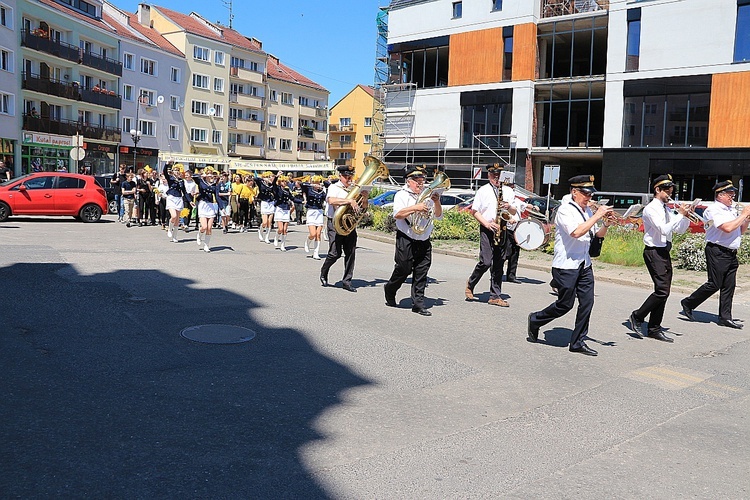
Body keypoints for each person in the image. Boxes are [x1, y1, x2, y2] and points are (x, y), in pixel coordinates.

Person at [527, 175, 614, 356]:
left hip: (584, 263)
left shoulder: (587, 212)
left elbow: (595, 235)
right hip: (566, 265)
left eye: (590, 194)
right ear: (574, 192)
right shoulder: (565, 211)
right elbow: (576, 232)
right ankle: (536, 319)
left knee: (587, 303)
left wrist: (605, 223)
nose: (589, 197)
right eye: (585, 193)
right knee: (564, 305)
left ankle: (578, 342)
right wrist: (598, 214)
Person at [628, 175, 690, 342]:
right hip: (653, 251)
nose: (670, 193)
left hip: (663, 252)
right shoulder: (651, 209)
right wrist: (679, 215)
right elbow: (663, 230)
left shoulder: (666, 209)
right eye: (667, 190)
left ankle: (654, 328)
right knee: (662, 290)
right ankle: (637, 316)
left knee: (664, 292)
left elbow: (678, 231)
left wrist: (685, 217)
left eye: (671, 190)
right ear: (657, 190)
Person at [681, 180, 750, 329]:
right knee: (715, 283)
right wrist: (743, 214)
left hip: (730, 252)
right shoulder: (714, 210)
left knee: (729, 286)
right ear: (720, 195)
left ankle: (725, 317)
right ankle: (688, 302)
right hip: (717, 250)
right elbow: (727, 228)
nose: (733, 196)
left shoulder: (731, 210)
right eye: (730, 194)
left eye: (733, 194)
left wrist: (746, 219)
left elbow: (740, 231)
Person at [383, 165, 443, 316]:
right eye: (416, 180)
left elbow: (438, 215)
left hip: (423, 238)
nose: (420, 183)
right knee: (403, 269)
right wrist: (416, 207)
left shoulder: (427, 194)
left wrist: (436, 202)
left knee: (422, 271)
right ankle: (390, 288)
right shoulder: (401, 195)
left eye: (422, 180)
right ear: (408, 181)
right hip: (406, 237)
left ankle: (418, 304)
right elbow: (398, 214)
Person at [465, 163, 517, 307]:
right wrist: (487, 224)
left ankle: (495, 296)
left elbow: (513, 211)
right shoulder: (483, 190)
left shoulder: (508, 191)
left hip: (503, 228)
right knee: (486, 262)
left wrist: (509, 207)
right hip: (488, 228)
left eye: (499, 174)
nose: (496, 177)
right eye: (494, 175)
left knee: (499, 263)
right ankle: (471, 283)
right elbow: (475, 211)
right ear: (489, 175)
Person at [319, 165, 363, 292]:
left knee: (350, 252)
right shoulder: (334, 187)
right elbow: (331, 200)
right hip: (335, 222)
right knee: (335, 253)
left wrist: (364, 197)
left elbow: (362, 206)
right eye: (346, 176)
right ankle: (324, 271)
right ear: (340, 176)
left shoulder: (354, 189)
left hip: (349, 224)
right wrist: (349, 201)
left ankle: (347, 281)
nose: (348, 179)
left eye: (350, 176)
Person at [192, 167, 223, 252]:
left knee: (209, 228)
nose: (210, 176)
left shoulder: (214, 185)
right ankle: (199, 235)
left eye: (211, 174)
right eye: (208, 174)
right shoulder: (201, 182)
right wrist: (202, 175)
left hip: (210, 206)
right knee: (204, 227)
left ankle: (206, 245)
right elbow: (194, 176)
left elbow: (217, 197)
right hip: (203, 205)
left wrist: (221, 208)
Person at [502, 180, 528, 284]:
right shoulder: (503, 200)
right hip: (507, 228)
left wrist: (534, 207)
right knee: (506, 252)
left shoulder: (516, 200)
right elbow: (502, 213)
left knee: (515, 253)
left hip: (516, 229)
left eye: (512, 186)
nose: (512, 188)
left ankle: (511, 276)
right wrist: (509, 219)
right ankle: (496, 269)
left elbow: (525, 206)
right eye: (510, 186)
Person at [301, 175, 327, 260]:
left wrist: (323, 187)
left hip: (319, 212)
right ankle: (307, 242)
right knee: (313, 234)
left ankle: (316, 253)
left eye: (318, 183)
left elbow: (326, 198)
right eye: (315, 182)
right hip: (311, 211)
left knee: (318, 234)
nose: (317, 184)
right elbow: (302, 184)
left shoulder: (322, 192)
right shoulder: (309, 189)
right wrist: (312, 185)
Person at [163, 162, 188, 243]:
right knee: (173, 216)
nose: (177, 172)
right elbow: (164, 172)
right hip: (171, 198)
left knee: (177, 219)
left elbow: (184, 192)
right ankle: (170, 229)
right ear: (173, 171)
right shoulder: (170, 178)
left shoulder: (181, 181)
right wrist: (167, 164)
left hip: (179, 198)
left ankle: (175, 236)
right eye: (175, 170)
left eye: (178, 170)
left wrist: (190, 201)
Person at [272, 174, 294, 251]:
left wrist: (302, 201)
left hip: (286, 209)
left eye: (285, 182)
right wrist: (277, 176)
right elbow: (273, 184)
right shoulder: (277, 189)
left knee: (285, 229)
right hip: (279, 209)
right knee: (280, 229)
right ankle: (276, 237)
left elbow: (292, 198)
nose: (284, 183)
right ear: (280, 182)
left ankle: (282, 244)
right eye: (283, 181)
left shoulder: (287, 190)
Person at [255, 171, 277, 243]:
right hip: (264, 202)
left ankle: (267, 237)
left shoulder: (272, 184)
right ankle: (260, 231)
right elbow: (256, 178)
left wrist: (277, 176)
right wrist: (263, 179)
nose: (269, 178)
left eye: (270, 177)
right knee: (264, 222)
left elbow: (275, 182)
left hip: (271, 202)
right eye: (268, 177)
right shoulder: (261, 183)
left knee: (269, 222)